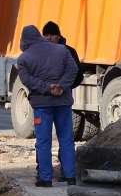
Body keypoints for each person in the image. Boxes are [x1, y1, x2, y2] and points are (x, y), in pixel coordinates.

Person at [16, 24, 79, 187]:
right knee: (66, 139)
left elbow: (27, 80)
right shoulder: (61, 50)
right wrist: (61, 86)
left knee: (43, 141)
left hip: (42, 105)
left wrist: (47, 88)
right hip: (63, 102)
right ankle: (70, 176)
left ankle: (45, 178)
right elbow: (73, 70)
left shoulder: (24, 59)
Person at [42, 21, 82, 88]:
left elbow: (78, 75)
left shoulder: (70, 51)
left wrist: (64, 88)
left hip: (63, 95)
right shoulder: (40, 52)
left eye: (52, 35)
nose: (49, 38)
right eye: (46, 35)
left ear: (58, 36)